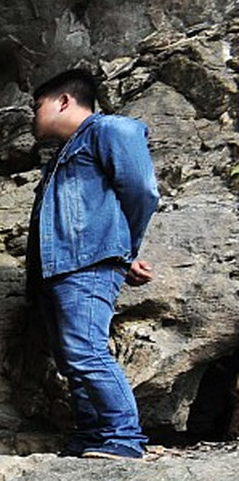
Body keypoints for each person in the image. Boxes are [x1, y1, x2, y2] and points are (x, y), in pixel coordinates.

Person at [26, 67, 160, 460]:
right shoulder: (64, 154)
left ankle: (124, 438)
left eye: (38, 106)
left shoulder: (110, 131)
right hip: (60, 268)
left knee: (86, 351)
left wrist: (124, 251)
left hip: (85, 262)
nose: (33, 116)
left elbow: (142, 191)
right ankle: (91, 436)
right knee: (72, 357)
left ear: (64, 101)